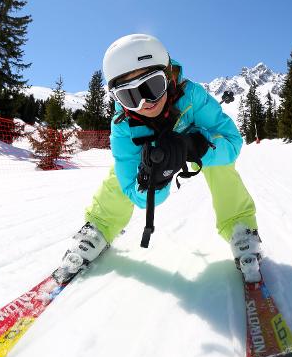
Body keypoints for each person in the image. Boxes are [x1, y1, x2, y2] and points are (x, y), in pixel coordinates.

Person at [62, 34, 261, 283]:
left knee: (220, 164)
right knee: (123, 174)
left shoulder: (192, 98)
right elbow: (130, 189)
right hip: (156, 155)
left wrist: (199, 146)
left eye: (153, 86)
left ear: (168, 76)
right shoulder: (123, 125)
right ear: (116, 98)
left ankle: (240, 226)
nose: (144, 103)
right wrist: (153, 180)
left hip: (192, 146)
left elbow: (232, 142)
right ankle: (100, 226)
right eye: (129, 96)